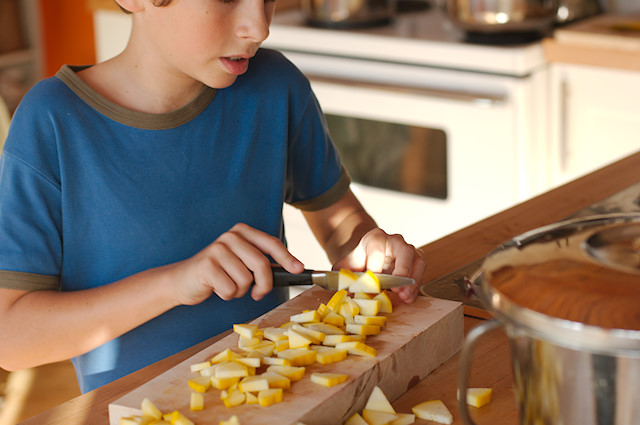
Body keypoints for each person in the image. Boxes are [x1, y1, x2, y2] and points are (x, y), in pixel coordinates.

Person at [0, 0, 426, 393]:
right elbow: (12, 338)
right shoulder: (52, 122)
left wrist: (371, 249)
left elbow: (342, 225)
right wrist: (177, 282)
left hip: (277, 398)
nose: (259, 27)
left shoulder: (276, 87)